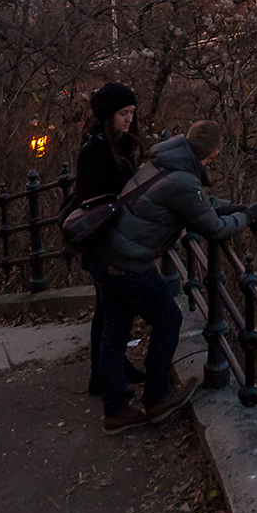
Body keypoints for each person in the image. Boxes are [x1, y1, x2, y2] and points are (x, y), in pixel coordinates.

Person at [90, 119, 257, 433]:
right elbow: (212, 226)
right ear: (212, 153)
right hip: (129, 264)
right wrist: (248, 217)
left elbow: (201, 206)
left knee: (114, 333)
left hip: (106, 255)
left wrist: (243, 208)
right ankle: (157, 399)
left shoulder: (164, 161)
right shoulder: (182, 181)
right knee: (169, 319)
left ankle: (115, 410)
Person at [74, 82, 145, 396]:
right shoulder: (97, 150)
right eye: (123, 113)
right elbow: (89, 199)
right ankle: (103, 375)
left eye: (131, 112)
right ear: (108, 116)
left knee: (110, 310)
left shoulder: (118, 145)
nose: (129, 118)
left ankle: (110, 369)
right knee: (109, 311)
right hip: (105, 242)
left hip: (114, 238)